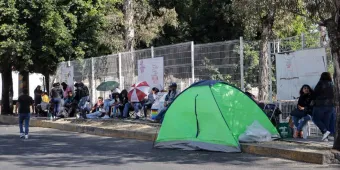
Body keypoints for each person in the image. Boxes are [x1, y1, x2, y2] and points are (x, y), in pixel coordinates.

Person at [312, 72, 335, 141]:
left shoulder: (320, 83)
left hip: (320, 105)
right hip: (331, 105)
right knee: (326, 121)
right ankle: (326, 137)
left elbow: (315, 93)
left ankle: (325, 131)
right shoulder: (332, 84)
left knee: (315, 118)